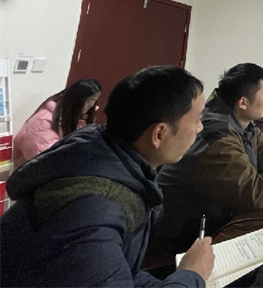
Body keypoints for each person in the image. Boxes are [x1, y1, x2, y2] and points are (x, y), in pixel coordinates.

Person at [0, 66, 215, 288]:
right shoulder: (95, 209)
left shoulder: (106, 153)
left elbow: (120, 272)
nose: (200, 128)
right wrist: (192, 274)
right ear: (159, 133)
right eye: (197, 119)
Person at [153, 63, 263, 255]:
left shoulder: (242, 121)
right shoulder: (218, 134)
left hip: (216, 217)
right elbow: (252, 191)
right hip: (182, 236)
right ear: (243, 102)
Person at [12, 78, 102, 167]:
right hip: (35, 171)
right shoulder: (43, 123)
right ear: (75, 100)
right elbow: (48, 161)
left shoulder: (79, 118)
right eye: (89, 101)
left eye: (94, 101)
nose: (91, 105)